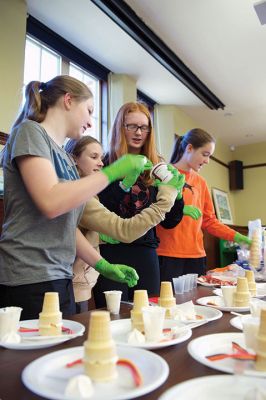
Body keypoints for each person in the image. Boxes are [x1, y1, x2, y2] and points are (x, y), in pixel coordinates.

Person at [0, 75, 151, 320]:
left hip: (59, 275)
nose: (91, 122)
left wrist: (102, 265)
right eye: (89, 111)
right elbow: (50, 201)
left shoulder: (66, 161)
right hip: (29, 275)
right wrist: (113, 172)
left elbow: (66, 226)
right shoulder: (30, 131)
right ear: (68, 100)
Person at [65, 135, 185, 312]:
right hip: (76, 278)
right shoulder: (80, 193)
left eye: (144, 127)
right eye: (94, 157)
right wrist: (167, 197)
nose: (101, 163)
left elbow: (76, 234)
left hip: (83, 279)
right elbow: (122, 229)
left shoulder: (85, 191)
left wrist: (178, 197)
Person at [93, 102, 189, 307]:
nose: (138, 132)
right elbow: (98, 210)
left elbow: (170, 222)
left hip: (145, 252)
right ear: (120, 127)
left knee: (148, 314)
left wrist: (177, 195)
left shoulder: (158, 166)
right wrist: (124, 184)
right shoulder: (105, 162)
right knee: (112, 314)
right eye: (131, 126)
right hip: (111, 252)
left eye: (144, 127)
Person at [156, 128, 252, 281]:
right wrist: (179, 209)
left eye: (209, 156)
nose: (207, 161)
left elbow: (210, 221)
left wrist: (238, 237)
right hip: (167, 255)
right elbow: (153, 212)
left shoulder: (201, 182)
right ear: (189, 148)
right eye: (205, 154)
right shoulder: (164, 174)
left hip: (196, 257)